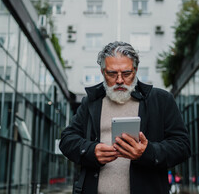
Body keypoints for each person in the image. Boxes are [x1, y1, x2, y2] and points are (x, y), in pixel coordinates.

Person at [59, 41, 191, 194]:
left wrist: (147, 152)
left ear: (135, 70)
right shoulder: (91, 102)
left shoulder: (161, 100)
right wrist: (90, 150)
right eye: (112, 73)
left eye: (127, 73)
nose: (120, 80)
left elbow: (182, 146)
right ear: (102, 72)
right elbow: (67, 140)